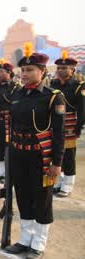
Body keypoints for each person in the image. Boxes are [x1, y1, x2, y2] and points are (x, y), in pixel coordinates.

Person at [4, 46, 65, 259]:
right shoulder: (17, 94)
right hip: (19, 155)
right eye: (23, 70)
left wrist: (57, 162)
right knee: (23, 196)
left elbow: (59, 133)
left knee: (42, 199)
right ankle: (25, 239)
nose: (24, 73)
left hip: (41, 157)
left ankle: (38, 244)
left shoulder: (52, 97)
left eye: (30, 69)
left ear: (42, 71)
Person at [50, 50, 85, 197]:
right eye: (58, 68)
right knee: (55, 153)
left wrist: (78, 127)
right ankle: (58, 182)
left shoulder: (79, 86)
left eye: (64, 68)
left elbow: (83, 109)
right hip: (54, 124)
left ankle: (67, 185)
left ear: (72, 70)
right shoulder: (53, 84)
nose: (60, 70)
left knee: (68, 156)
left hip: (70, 124)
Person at [0, 59, 20, 181]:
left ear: (9, 72)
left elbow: (15, 106)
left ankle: (9, 173)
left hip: (9, 121)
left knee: (9, 146)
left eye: (1, 71)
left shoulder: (15, 87)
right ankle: (0, 171)